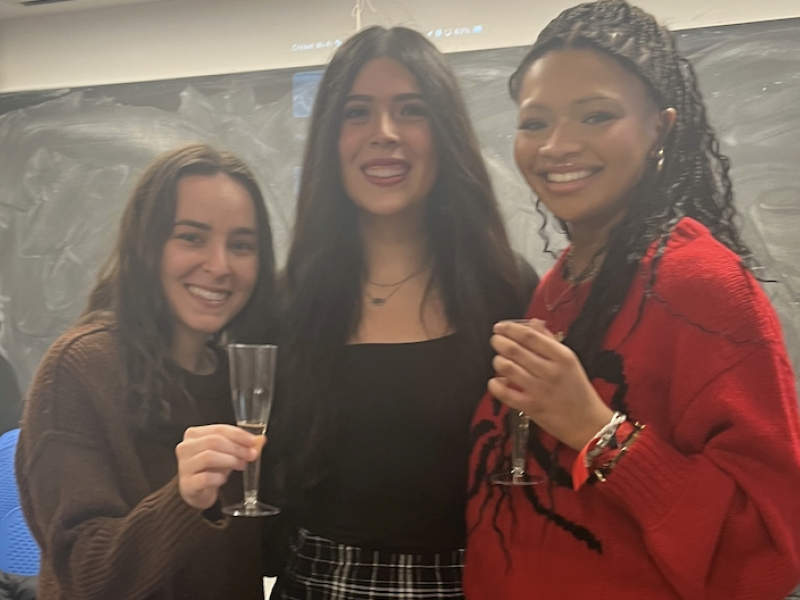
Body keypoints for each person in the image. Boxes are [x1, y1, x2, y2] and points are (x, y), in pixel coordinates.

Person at [465, 1, 800, 599]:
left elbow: (768, 552)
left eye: (596, 116)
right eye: (534, 122)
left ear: (661, 130)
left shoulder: (701, 286)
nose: (557, 146)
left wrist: (598, 432)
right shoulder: (557, 287)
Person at [266, 25, 531, 599]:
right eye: (356, 113)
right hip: (317, 584)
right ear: (329, 139)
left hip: (470, 583)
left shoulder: (503, 289)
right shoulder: (288, 299)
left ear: (444, 133)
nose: (383, 135)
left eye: (410, 110)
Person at [15, 143, 278, 600]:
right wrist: (184, 500)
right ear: (147, 245)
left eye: (241, 245)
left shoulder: (235, 383)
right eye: (192, 237)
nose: (219, 266)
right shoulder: (78, 370)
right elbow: (84, 573)